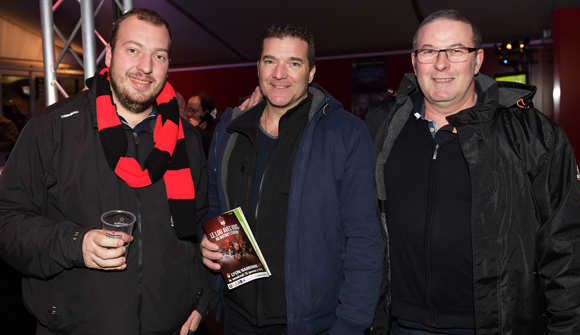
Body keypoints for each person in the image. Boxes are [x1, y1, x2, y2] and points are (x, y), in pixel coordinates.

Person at [0, 8, 217, 335]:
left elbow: (201, 225)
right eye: (133, 50)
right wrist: (76, 243)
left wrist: (203, 297)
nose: (146, 67)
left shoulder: (186, 139)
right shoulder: (50, 131)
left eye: (159, 55)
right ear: (110, 54)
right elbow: (7, 221)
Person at [364, 9, 580, 335]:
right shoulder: (379, 127)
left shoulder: (535, 136)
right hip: (401, 325)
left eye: (456, 51)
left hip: (496, 325)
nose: (441, 64)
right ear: (414, 61)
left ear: (477, 60)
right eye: (429, 52)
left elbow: (565, 245)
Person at [200, 23, 384, 334]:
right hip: (238, 317)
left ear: (311, 72)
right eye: (270, 61)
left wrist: (351, 325)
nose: (279, 74)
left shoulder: (345, 133)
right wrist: (209, 241)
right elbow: (217, 207)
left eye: (294, 63)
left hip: (312, 323)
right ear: (258, 66)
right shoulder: (231, 131)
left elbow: (365, 239)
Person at [183, 91, 217, 157]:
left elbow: (214, 142)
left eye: (194, 111)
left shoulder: (216, 124)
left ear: (206, 112)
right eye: (187, 109)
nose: (189, 113)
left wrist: (197, 129)